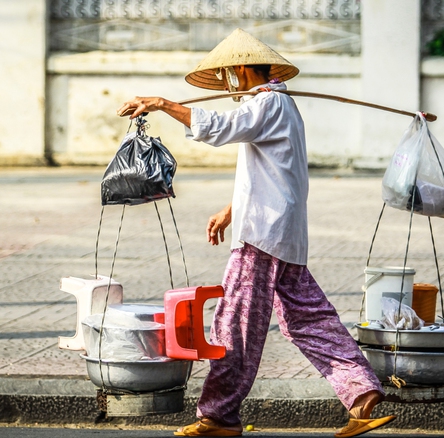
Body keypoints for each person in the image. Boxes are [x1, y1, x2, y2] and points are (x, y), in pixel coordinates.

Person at [117, 28, 394, 438]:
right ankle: (362, 396)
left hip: (262, 236)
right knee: (308, 319)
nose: (228, 82)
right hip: (282, 232)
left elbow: (219, 128)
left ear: (243, 69)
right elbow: (273, 171)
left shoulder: (268, 102)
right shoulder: (279, 105)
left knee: (234, 325)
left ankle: (219, 416)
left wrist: (160, 103)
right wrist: (232, 209)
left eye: (230, 73)